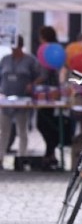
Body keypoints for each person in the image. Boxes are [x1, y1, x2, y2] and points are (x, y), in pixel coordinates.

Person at [35, 26, 73, 171]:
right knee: (48, 121)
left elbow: (44, 74)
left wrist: (33, 83)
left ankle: (50, 152)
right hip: (54, 90)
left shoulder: (45, 50)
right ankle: (50, 153)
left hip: (47, 91)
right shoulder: (57, 49)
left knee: (43, 123)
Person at [0, 36, 41, 168]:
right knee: (3, 131)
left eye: (16, 47)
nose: (13, 50)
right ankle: (0, 157)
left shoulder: (30, 60)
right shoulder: (5, 60)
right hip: (6, 100)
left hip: (23, 99)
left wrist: (32, 84)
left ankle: (21, 158)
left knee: (22, 130)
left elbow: (39, 76)